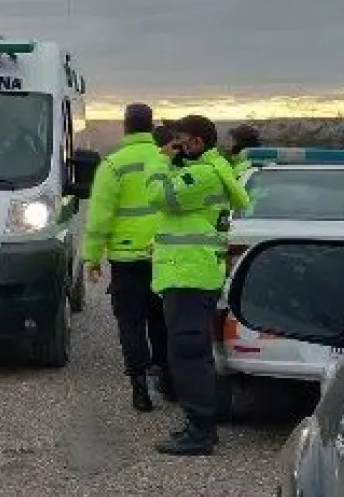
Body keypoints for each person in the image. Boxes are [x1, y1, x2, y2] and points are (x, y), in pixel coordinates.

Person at [146, 115, 250, 455]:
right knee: (191, 353)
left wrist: (161, 158)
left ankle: (201, 430)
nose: (174, 144)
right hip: (188, 274)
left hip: (189, 275)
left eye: (180, 139)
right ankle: (198, 424)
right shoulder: (205, 170)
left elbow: (158, 197)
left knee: (189, 354)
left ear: (197, 144)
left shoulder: (203, 175)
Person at [82, 104, 175, 413]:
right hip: (163, 254)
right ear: (150, 126)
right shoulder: (166, 159)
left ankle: (139, 389)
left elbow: (99, 218)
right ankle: (169, 381)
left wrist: (92, 258)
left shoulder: (113, 165)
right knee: (163, 320)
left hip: (125, 259)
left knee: (130, 323)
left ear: (125, 127)